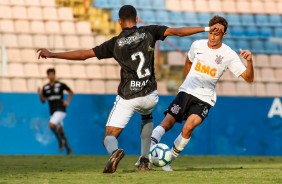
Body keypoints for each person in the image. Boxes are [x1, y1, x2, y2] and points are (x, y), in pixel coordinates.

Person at [37, 5, 224, 173]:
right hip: (150, 95)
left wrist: (53, 54)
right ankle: (144, 159)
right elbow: (178, 32)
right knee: (147, 115)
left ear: (119, 22)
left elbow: (84, 55)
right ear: (136, 19)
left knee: (108, 136)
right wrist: (207, 28)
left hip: (128, 96)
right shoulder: (149, 32)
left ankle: (115, 151)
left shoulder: (114, 43)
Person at [150, 16, 254, 171]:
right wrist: (187, 82)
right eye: (211, 32)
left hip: (205, 98)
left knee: (188, 128)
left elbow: (248, 78)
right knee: (167, 123)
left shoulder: (229, 55)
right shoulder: (197, 45)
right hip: (186, 92)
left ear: (224, 35)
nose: (213, 37)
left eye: (217, 34)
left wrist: (250, 61)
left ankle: (168, 160)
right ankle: (148, 152)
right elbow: (188, 61)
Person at [38, 68, 73, 155]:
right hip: (52, 112)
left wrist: (68, 101)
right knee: (61, 131)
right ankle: (68, 148)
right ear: (47, 75)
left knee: (51, 125)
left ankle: (60, 141)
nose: (51, 76)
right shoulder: (45, 87)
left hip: (61, 110)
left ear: (54, 74)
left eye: (52, 74)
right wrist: (40, 93)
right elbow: (43, 101)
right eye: (49, 74)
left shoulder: (60, 85)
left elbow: (71, 92)